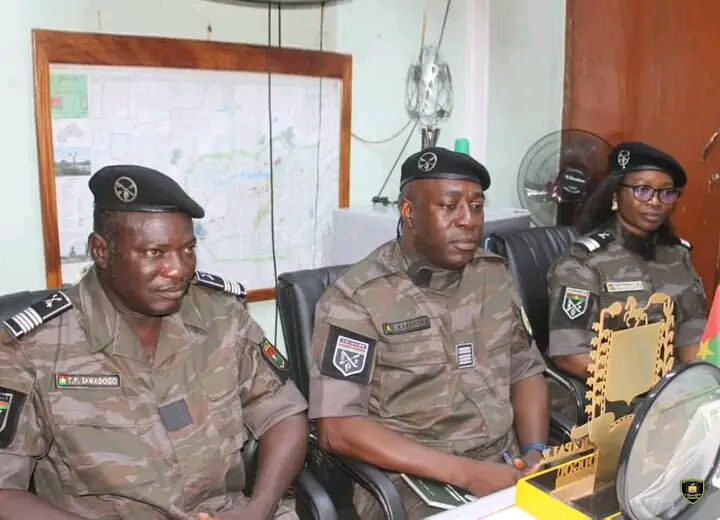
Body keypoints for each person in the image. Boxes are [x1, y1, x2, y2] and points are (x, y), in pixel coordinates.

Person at [0, 165, 309, 520]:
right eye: (154, 253)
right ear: (101, 251)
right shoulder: (31, 349)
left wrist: (259, 508)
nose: (178, 269)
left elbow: (284, 412)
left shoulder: (220, 314)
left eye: (188, 249)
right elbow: (5, 490)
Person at [307, 147, 549, 519]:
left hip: (505, 461)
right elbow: (337, 428)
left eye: (476, 207)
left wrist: (534, 451)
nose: (468, 221)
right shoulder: (358, 298)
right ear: (408, 211)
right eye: (449, 207)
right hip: (411, 480)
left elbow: (526, 369)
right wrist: (467, 474)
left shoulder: (493, 274)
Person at [547, 141, 707, 383]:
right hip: (603, 390)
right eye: (642, 190)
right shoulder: (583, 261)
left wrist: (699, 386)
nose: (655, 202)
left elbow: (691, 333)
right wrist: (650, 389)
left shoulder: (677, 255)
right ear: (615, 193)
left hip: (668, 388)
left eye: (666, 193)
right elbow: (570, 355)